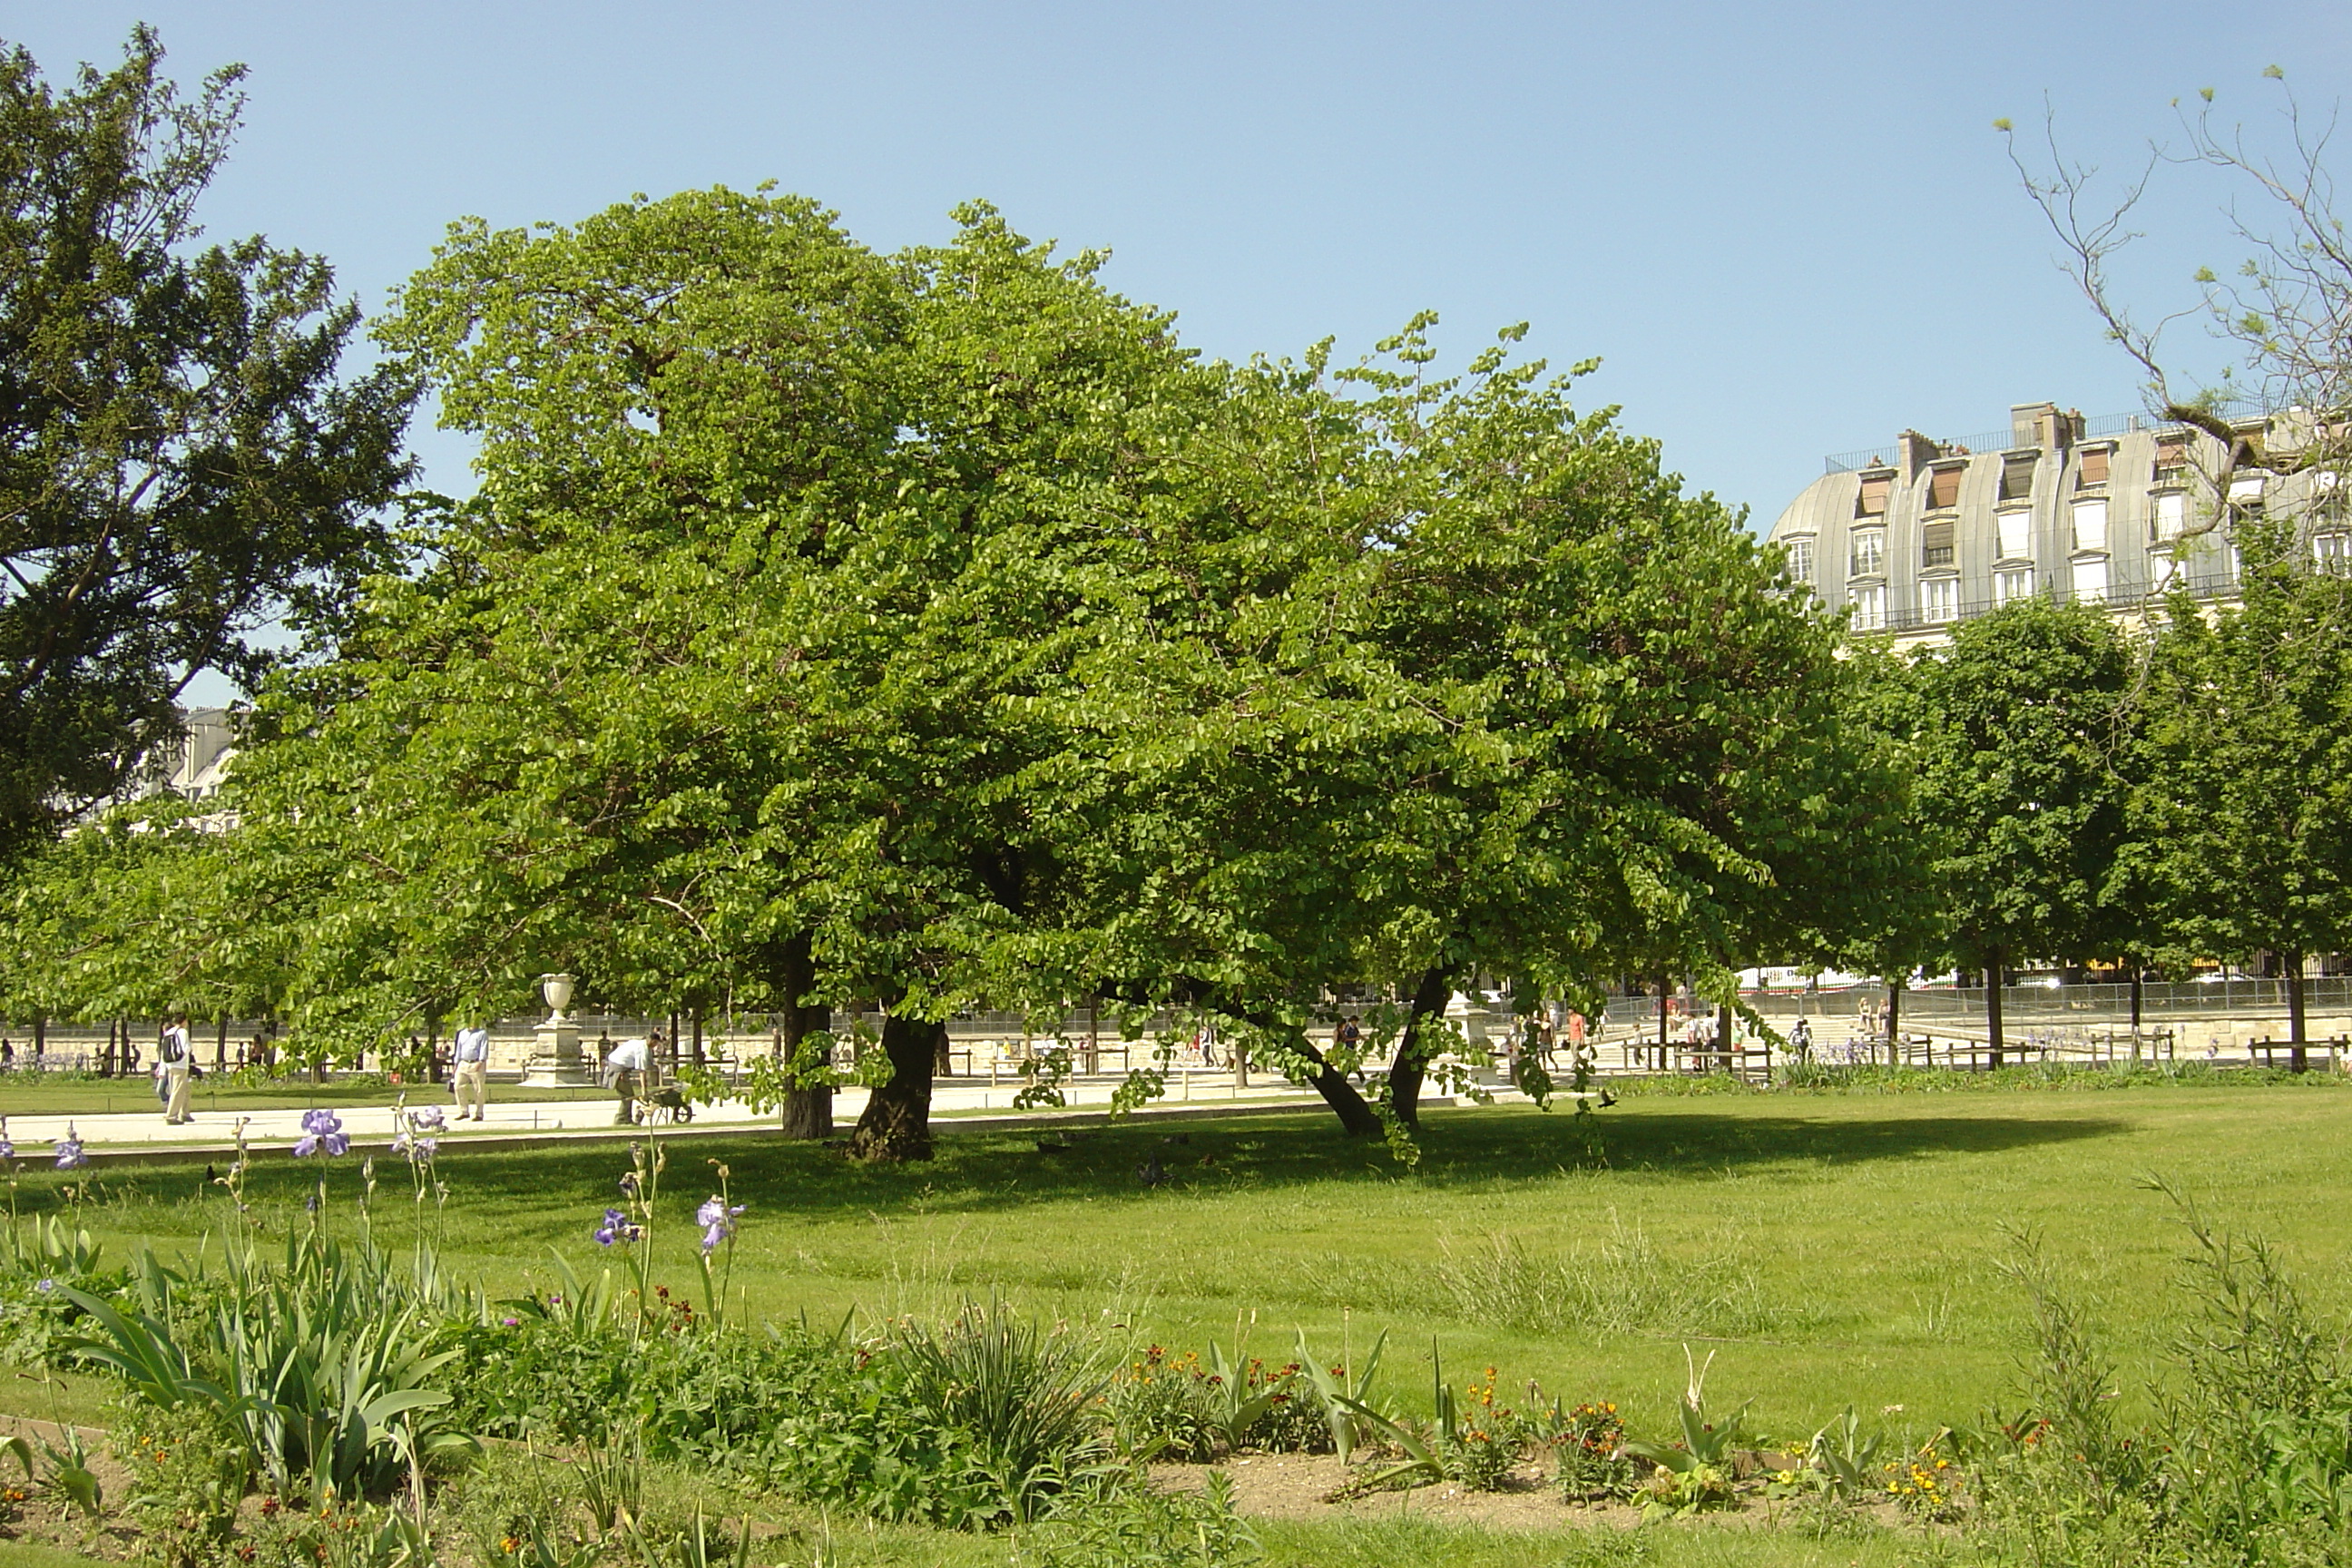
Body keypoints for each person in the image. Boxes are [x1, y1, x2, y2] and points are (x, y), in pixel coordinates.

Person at [605, 1030, 658, 1125]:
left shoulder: (636, 1042)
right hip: (619, 1070)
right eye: (656, 1043)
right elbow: (642, 1071)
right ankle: (621, 1120)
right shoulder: (642, 1049)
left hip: (615, 1065)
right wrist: (644, 1090)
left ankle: (626, 1119)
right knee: (628, 1096)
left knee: (627, 1095)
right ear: (652, 1041)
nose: (655, 1046)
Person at [158, 1013, 194, 1124]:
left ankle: (184, 1112)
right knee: (177, 1090)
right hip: (180, 1064)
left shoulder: (169, 1032)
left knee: (185, 1089)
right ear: (183, 1021)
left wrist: (162, 1068)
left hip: (171, 1064)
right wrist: (189, 1051)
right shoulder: (182, 1032)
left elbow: (164, 1051)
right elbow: (185, 1047)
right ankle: (171, 1116)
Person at [451, 1020, 491, 1122]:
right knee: (457, 1086)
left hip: (476, 1063)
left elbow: (484, 1048)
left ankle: (479, 1113)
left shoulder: (482, 1033)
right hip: (463, 1062)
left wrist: (481, 1061)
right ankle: (463, 1111)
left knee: (478, 1089)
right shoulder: (462, 1033)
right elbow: (458, 1049)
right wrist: (456, 1063)